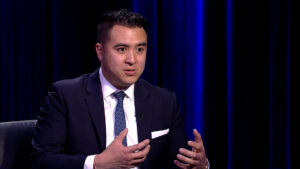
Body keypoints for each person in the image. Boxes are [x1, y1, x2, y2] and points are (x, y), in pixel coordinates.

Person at [31, 9, 209, 169]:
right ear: (100, 51)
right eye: (122, 49)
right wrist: (96, 163)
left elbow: (177, 163)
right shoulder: (66, 96)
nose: (132, 59)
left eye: (140, 49)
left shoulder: (164, 101)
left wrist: (200, 166)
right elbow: (41, 161)